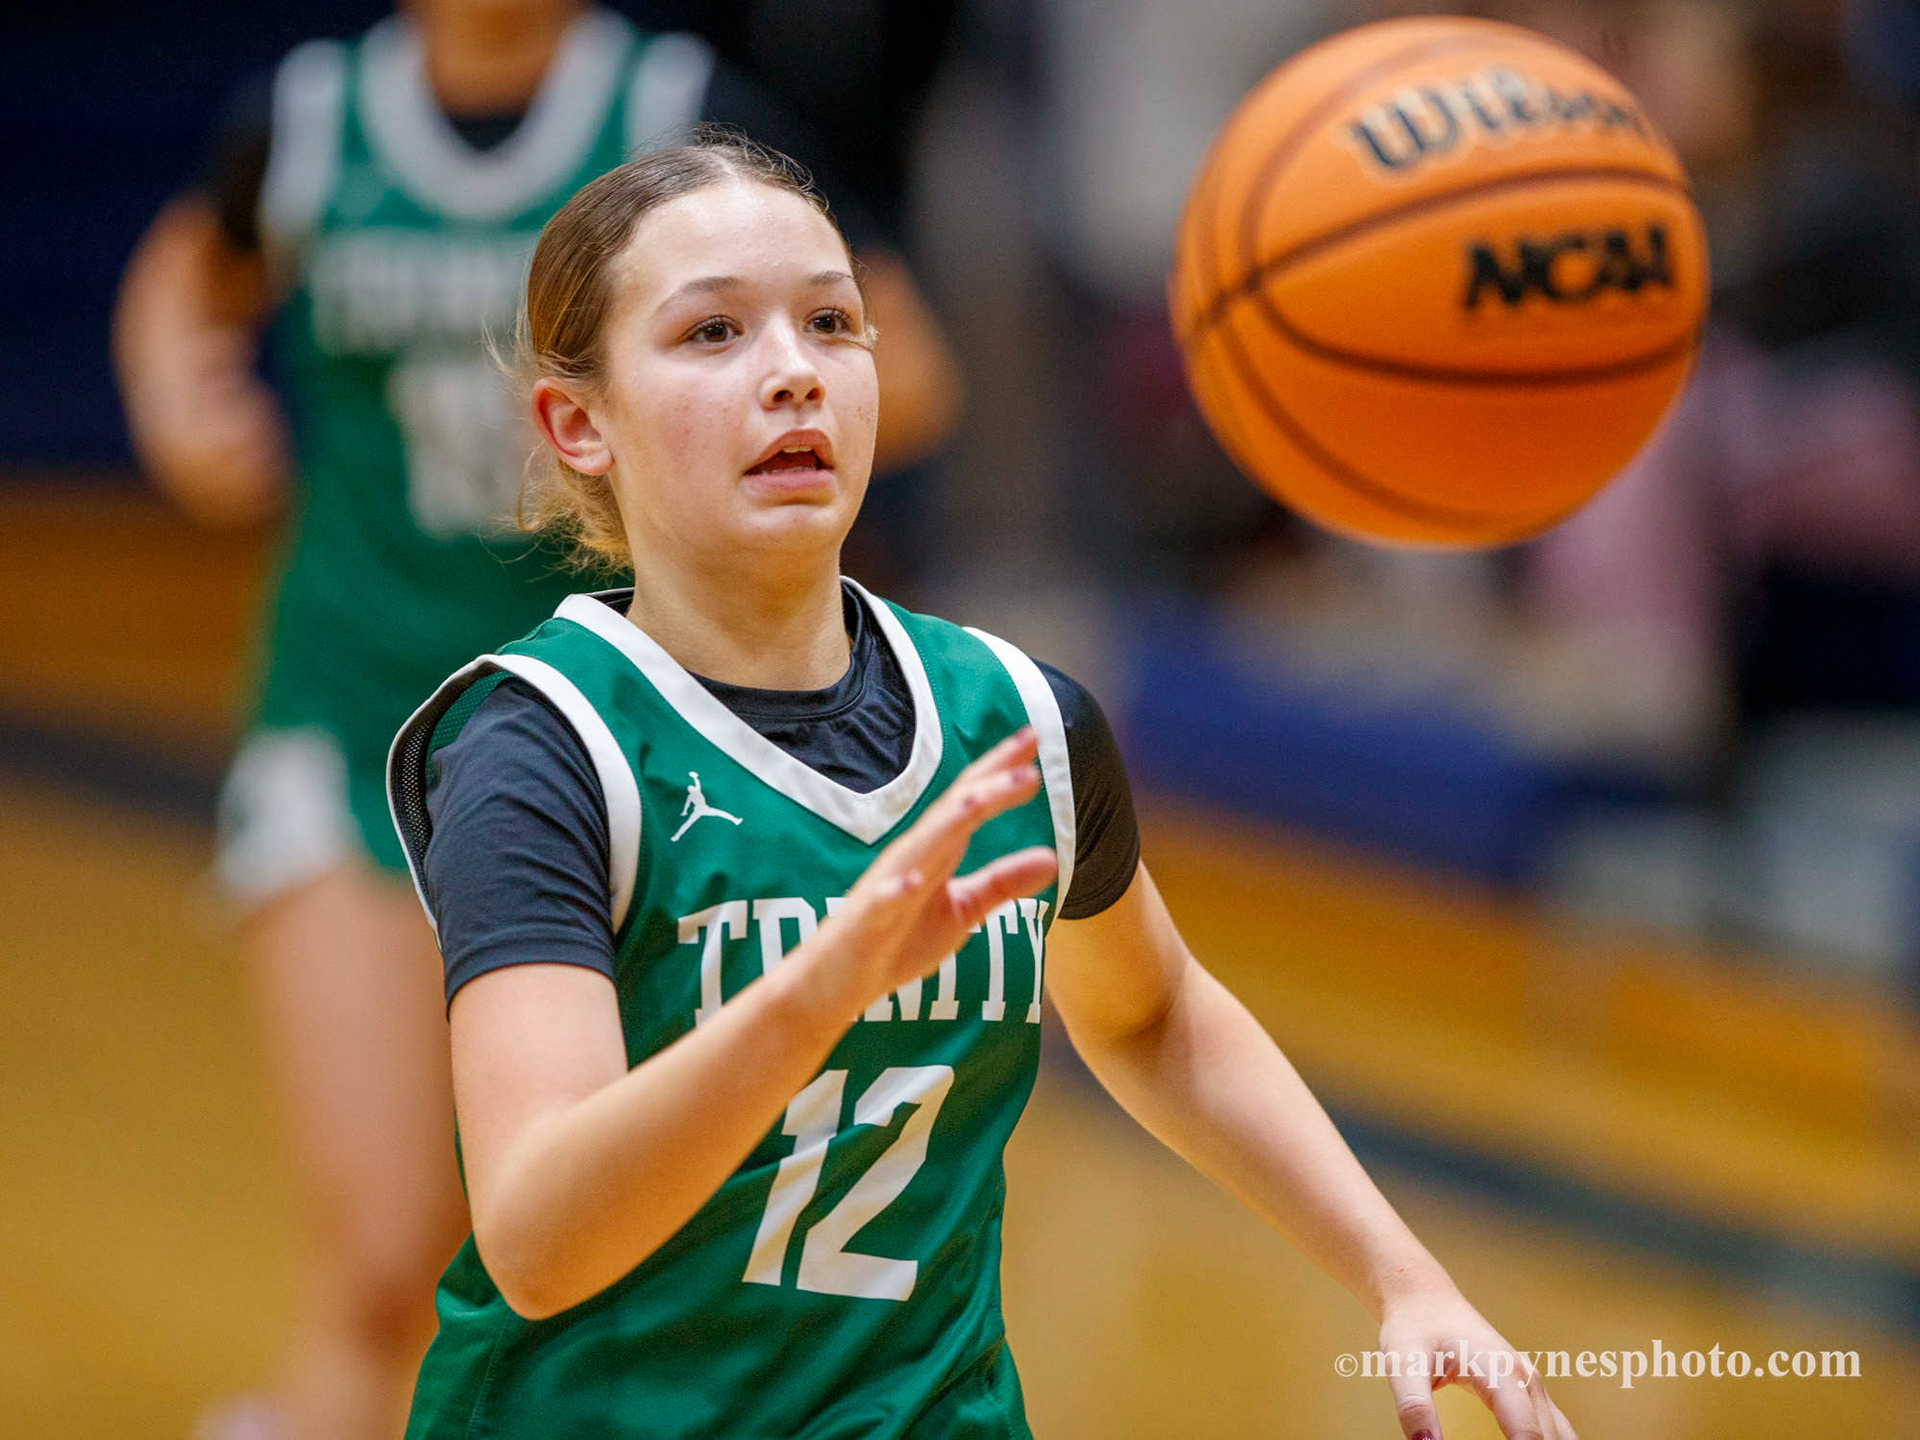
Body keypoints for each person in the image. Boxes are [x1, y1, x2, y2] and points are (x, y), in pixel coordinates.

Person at [385, 135, 1577, 1439]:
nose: (793, 372)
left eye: (832, 322)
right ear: (580, 422)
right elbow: (538, 1236)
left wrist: (1404, 1278)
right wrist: (818, 991)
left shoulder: (1018, 722)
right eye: (713, 332)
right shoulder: (540, 747)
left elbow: (1152, 1017)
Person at [110, 4, 958, 1436]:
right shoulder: (309, 121)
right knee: (387, 1258)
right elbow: (192, 267)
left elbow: (911, 370)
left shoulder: (683, 114)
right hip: (351, 713)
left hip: (623, 751)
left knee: (567, 1261)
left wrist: (727, 411)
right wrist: (175, 389)